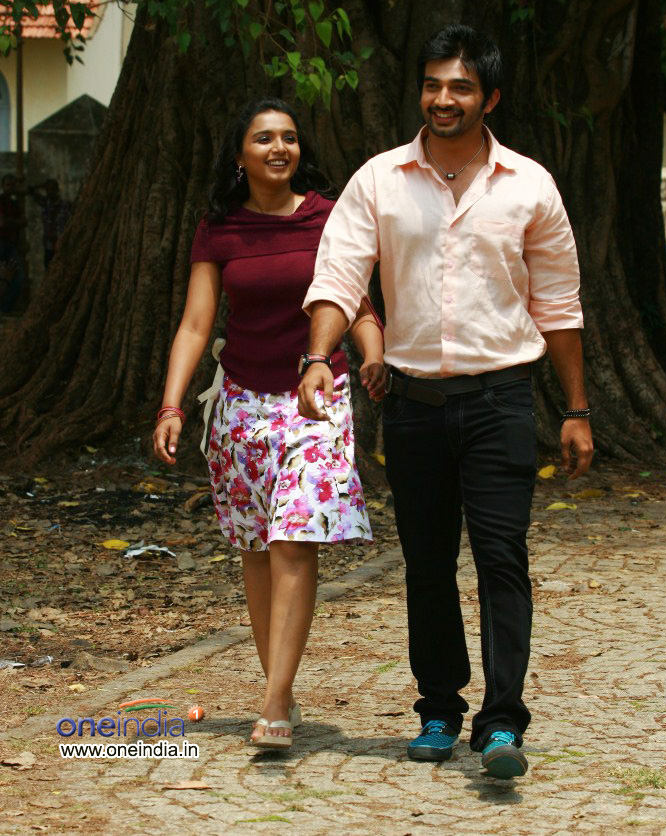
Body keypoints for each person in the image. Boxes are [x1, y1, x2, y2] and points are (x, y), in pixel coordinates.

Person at [298, 24, 594, 779]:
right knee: (427, 563)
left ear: (489, 98)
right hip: (413, 406)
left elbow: (560, 306)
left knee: (501, 558)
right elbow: (339, 276)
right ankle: (438, 707)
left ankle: (501, 723)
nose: (443, 98)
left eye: (460, 86)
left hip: (501, 401)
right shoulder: (379, 181)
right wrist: (318, 356)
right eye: (432, 85)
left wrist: (577, 409)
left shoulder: (529, 186)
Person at [153, 98, 385, 751]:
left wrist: (373, 354)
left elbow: (357, 304)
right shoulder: (219, 227)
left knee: (294, 539)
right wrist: (171, 406)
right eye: (263, 138)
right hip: (242, 405)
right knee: (256, 547)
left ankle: (276, 701)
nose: (279, 147)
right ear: (240, 155)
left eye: (288, 137)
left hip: (316, 396)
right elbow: (196, 324)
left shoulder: (327, 217)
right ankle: (278, 683)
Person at [28, 178, 71, 268]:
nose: (50, 192)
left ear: (57, 190)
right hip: (49, 243)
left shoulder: (66, 205)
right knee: (49, 266)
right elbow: (30, 190)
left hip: (62, 241)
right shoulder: (45, 204)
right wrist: (42, 185)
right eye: (48, 190)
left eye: (53, 189)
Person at [0, 173, 25, 313]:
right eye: (7, 185)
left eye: (12, 185)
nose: (10, 188)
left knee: (18, 276)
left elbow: (24, 222)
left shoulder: (15, 205)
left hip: (10, 244)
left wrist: (9, 222)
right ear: (3, 186)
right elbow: (2, 223)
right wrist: (16, 222)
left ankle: (5, 309)